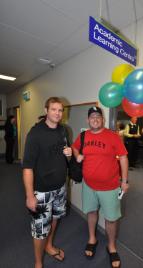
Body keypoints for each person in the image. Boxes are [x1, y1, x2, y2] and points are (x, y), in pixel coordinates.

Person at [72, 106, 128, 268]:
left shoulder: (113, 136)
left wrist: (124, 181)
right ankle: (92, 238)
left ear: (103, 119)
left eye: (98, 116)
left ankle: (111, 246)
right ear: (87, 120)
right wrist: (78, 155)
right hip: (89, 185)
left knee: (111, 219)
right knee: (91, 212)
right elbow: (75, 147)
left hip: (110, 186)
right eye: (92, 116)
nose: (95, 119)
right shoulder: (83, 135)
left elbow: (123, 158)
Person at [22, 97, 72, 268]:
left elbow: (64, 155)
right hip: (41, 191)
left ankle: (49, 246)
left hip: (60, 188)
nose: (58, 113)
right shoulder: (35, 134)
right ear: (46, 110)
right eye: (54, 109)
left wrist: (69, 154)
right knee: (40, 230)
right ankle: (38, 263)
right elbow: (27, 167)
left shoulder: (63, 130)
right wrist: (30, 196)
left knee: (55, 219)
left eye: (60, 110)